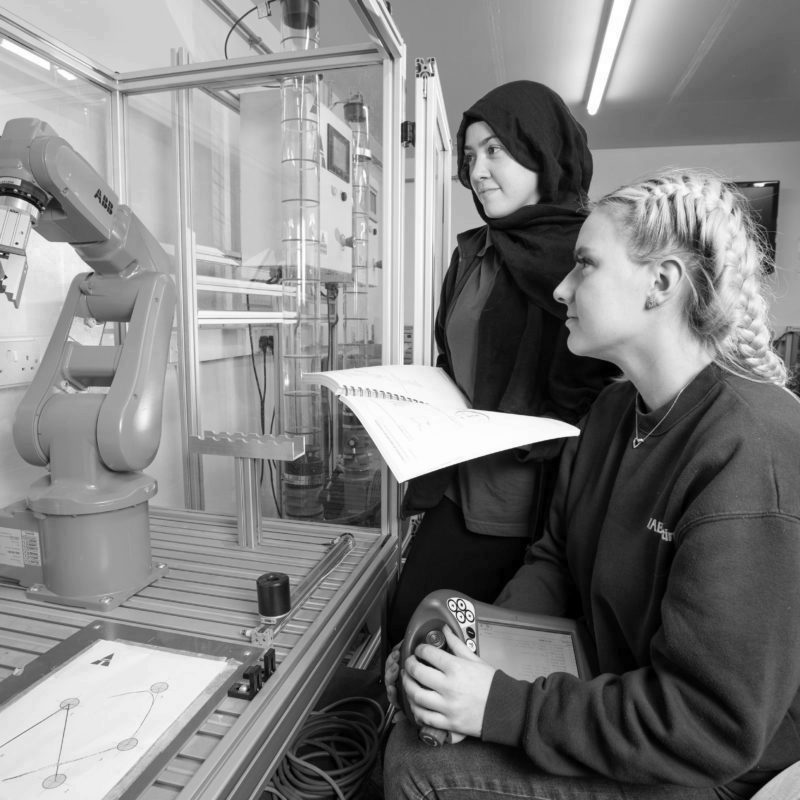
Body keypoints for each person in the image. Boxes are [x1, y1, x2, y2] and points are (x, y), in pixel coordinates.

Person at [384, 168, 800, 800]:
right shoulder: (609, 413)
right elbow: (554, 562)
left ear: (661, 283)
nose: (560, 287)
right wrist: (466, 650)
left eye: (585, 265)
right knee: (422, 710)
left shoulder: (752, 449)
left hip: (711, 768)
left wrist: (501, 706)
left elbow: (710, 725)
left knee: (416, 764)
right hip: (616, 695)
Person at [388, 81, 616, 644]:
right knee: (408, 625)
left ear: (542, 153)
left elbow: (603, 390)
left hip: (535, 505)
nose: (478, 171)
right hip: (458, 483)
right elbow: (451, 359)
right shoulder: (473, 251)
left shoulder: (587, 256)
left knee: (489, 650)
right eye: (469, 156)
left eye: (495, 150)